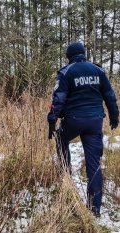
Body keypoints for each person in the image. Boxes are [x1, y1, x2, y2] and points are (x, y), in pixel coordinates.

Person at [47, 42, 119, 217]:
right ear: (84, 54)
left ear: (69, 56)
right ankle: (94, 210)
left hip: (73, 120)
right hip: (94, 123)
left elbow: (58, 99)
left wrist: (51, 122)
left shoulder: (66, 72)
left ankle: (65, 177)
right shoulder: (98, 71)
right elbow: (110, 96)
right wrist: (115, 117)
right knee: (94, 166)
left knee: (61, 139)